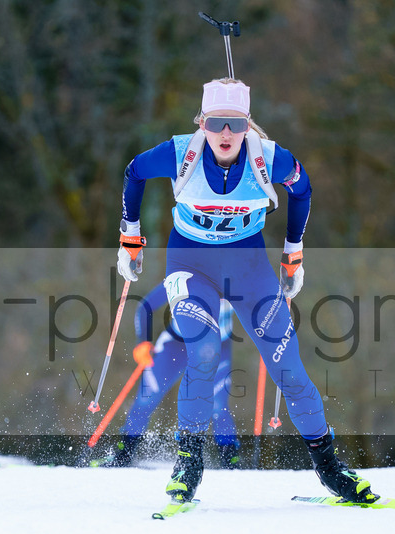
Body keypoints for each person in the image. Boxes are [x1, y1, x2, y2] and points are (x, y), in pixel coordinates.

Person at [115, 77, 379, 504]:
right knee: (201, 350)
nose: (225, 133)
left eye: (235, 125)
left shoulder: (269, 159)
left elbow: (302, 188)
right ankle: (189, 461)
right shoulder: (181, 152)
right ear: (202, 122)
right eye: (216, 122)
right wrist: (130, 235)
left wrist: (294, 252)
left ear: (247, 126)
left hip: (249, 271)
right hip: (191, 268)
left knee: (289, 368)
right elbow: (134, 172)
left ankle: (331, 469)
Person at [89, 283, 241, 469]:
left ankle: (230, 461)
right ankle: (124, 454)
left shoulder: (235, 277)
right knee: (146, 398)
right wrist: (143, 342)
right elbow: (146, 306)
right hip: (177, 344)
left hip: (216, 346)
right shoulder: (188, 274)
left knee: (218, 405)